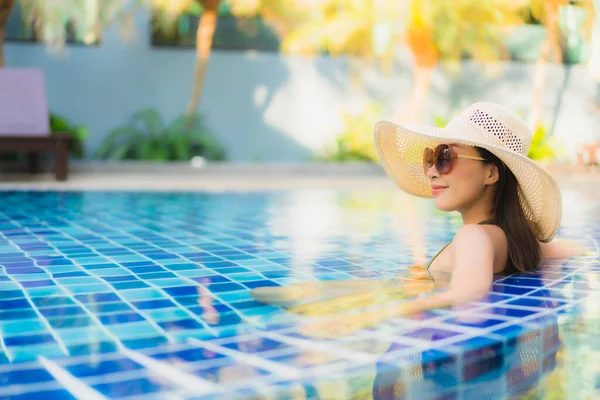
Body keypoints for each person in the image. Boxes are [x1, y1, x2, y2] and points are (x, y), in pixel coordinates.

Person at [251, 102, 593, 338]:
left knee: (262, 303)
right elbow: (575, 252)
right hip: (407, 286)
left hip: (414, 297)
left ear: (491, 172)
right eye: (432, 156)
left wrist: (366, 318)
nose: (430, 169)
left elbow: (468, 291)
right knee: (278, 296)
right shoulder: (517, 241)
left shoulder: (473, 238)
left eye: (445, 157)